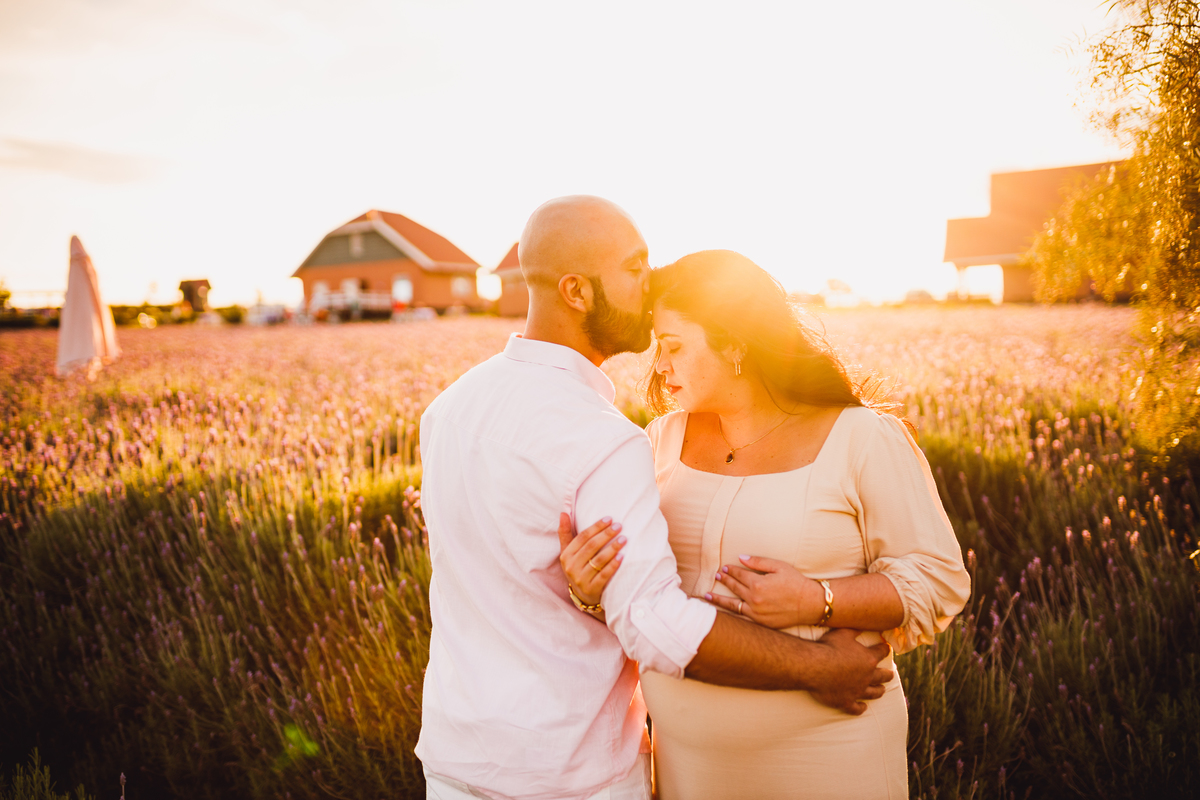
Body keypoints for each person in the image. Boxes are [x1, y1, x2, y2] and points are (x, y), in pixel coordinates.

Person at [415, 197, 894, 800]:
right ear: (576, 291)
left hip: (455, 766)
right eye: (634, 266)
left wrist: (588, 595)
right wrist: (821, 667)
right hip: (572, 776)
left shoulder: (448, 409)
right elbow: (654, 624)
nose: (652, 281)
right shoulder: (602, 440)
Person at [560, 249, 972, 799]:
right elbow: (644, 599)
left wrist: (817, 600)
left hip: (828, 755)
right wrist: (590, 593)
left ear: (734, 344)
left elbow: (937, 579)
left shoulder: (861, 437)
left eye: (674, 346)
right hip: (688, 767)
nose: (660, 365)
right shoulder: (659, 442)